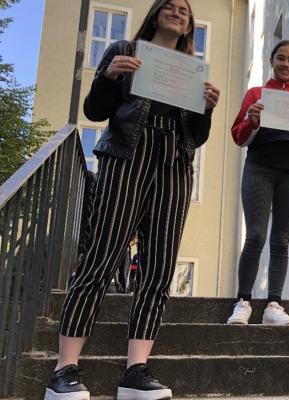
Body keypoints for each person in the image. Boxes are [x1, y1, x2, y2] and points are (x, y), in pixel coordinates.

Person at [45, 1, 220, 399]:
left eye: (184, 11)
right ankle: (64, 368)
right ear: (156, 13)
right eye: (170, 7)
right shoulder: (125, 49)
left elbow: (198, 136)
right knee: (101, 255)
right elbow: (93, 109)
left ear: (190, 24)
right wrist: (107, 76)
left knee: (158, 268)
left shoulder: (192, 68)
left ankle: (136, 370)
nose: (178, 13)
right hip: (128, 155)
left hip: (175, 162)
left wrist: (206, 110)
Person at [225, 40, 289, 325]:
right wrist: (252, 120)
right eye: (281, 58)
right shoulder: (256, 94)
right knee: (255, 235)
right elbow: (239, 137)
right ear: (272, 61)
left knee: (281, 240)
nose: (286, 64)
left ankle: (273, 304)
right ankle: (243, 301)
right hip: (259, 167)